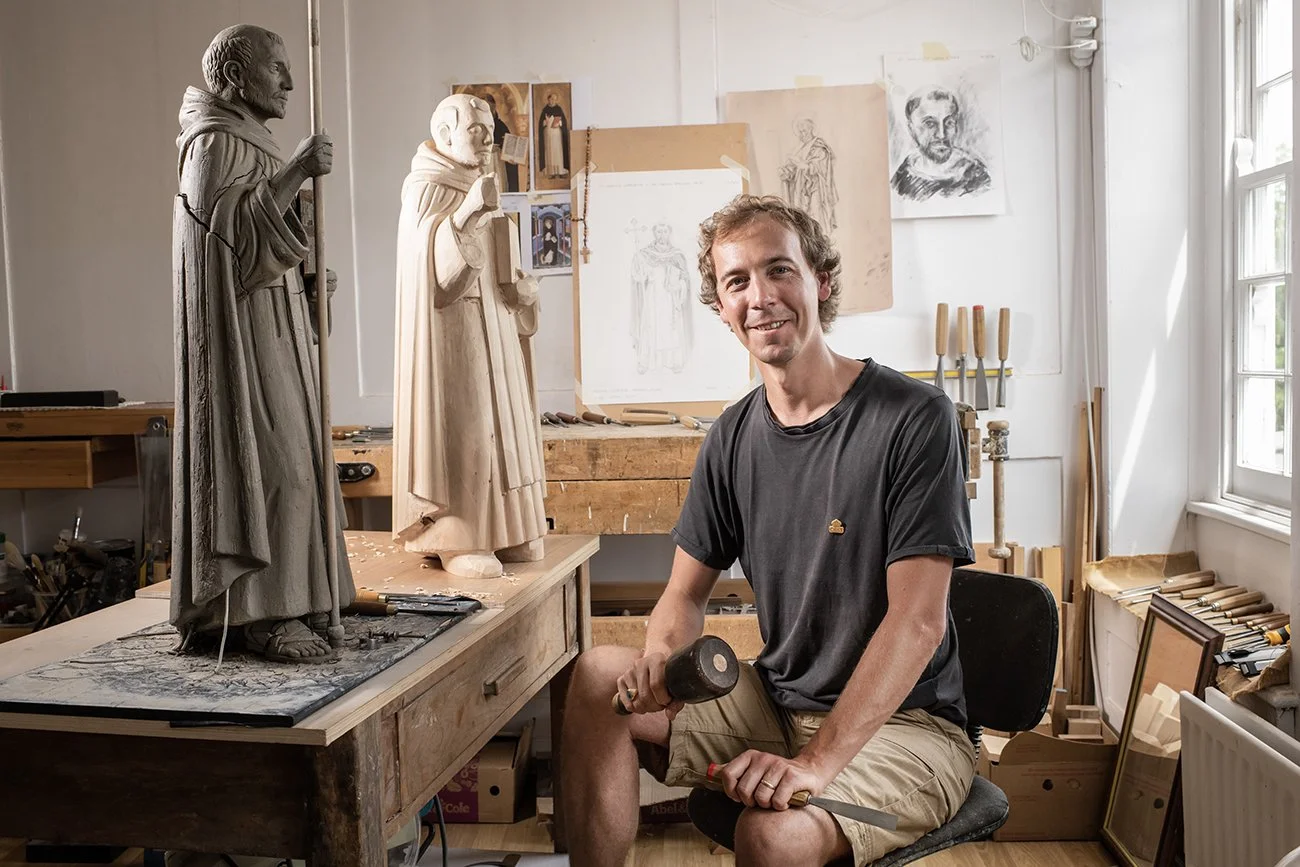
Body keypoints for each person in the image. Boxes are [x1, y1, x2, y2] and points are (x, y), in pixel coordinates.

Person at [560, 195, 976, 866]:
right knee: (597, 674)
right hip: (778, 702)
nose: (761, 296)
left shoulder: (912, 417)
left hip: (905, 725)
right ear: (722, 309)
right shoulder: (731, 437)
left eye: (779, 270)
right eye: (737, 281)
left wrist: (815, 763)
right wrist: (663, 667)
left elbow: (918, 623)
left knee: (770, 834)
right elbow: (685, 596)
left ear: (821, 282)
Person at [170, 24, 355, 662]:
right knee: (277, 475)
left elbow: (267, 242)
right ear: (234, 75)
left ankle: (293, 604)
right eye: (276, 68)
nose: (289, 81)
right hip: (241, 344)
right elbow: (223, 251)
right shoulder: (212, 145)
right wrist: (298, 170)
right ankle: (258, 616)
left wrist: (311, 284)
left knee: (303, 470)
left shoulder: (256, 144)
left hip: (279, 332)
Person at [392, 93, 547, 580]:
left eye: (489, 130)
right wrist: (466, 215)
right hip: (454, 337)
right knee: (470, 429)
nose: (488, 140)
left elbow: (504, 267)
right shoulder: (427, 187)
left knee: (506, 428)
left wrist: (524, 294)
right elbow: (432, 280)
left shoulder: (480, 183)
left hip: (496, 329)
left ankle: (508, 529)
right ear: (445, 135)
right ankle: (458, 536)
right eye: (476, 130)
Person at [891, 89, 991, 201]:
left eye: (949, 123)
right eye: (930, 123)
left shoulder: (975, 176)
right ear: (911, 129)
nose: (942, 135)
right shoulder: (903, 175)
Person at [628, 222, 692, 374]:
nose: (661, 235)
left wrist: (679, 286)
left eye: (664, 231)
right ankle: (646, 361)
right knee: (650, 327)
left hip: (670, 299)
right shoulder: (645, 254)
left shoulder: (676, 255)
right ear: (654, 233)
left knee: (670, 329)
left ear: (669, 233)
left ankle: (673, 361)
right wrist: (640, 271)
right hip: (652, 298)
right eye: (658, 231)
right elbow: (638, 276)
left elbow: (685, 278)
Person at [780, 119, 838, 232]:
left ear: (811, 130)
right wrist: (786, 172)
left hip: (816, 189)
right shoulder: (800, 149)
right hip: (801, 189)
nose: (801, 135)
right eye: (800, 132)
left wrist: (804, 165)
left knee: (816, 217)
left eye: (804, 131)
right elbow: (794, 170)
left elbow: (821, 167)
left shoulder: (819, 147)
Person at [482, 93, 520, 192]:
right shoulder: (479, 124)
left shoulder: (500, 125)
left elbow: (508, 143)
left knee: (499, 184)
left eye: (490, 106)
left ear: (494, 107)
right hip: (484, 159)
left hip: (497, 158)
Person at [537, 92, 570, 179]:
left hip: (557, 134)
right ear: (548, 99)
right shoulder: (545, 110)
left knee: (558, 152)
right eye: (551, 99)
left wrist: (559, 122)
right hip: (548, 134)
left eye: (554, 99)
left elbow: (563, 122)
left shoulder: (558, 109)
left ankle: (560, 171)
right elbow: (541, 123)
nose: (553, 101)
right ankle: (551, 172)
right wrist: (545, 122)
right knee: (550, 152)